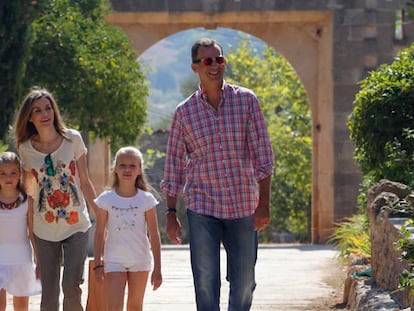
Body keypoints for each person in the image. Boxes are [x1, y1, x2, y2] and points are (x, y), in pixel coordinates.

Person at [160, 37, 274, 311]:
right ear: (195, 67)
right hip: (203, 206)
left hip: (244, 205)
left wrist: (264, 204)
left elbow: (264, 156)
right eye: (208, 61)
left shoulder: (246, 101)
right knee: (206, 280)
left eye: (219, 59)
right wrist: (171, 213)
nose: (215, 66)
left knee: (244, 281)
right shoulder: (184, 113)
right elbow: (174, 164)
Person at [14, 86, 98, 311]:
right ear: (30, 118)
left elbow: (86, 181)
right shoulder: (26, 149)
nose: (44, 114)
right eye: (38, 111)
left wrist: (103, 218)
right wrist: (27, 230)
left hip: (76, 225)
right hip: (44, 230)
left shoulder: (73, 139)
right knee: (49, 296)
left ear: (54, 111)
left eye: (48, 108)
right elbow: (31, 193)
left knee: (71, 286)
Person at [93, 146, 162, 311]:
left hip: (140, 260)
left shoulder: (146, 199)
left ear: (139, 170)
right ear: (115, 169)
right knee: (114, 307)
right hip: (114, 260)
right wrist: (98, 264)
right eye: (122, 165)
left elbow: (154, 234)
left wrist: (158, 268)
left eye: (132, 165)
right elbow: (99, 233)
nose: (127, 169)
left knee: (135, 307)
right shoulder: (106, 199)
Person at [0, 151, 41, 311]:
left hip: (22, 259)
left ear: (20, 174)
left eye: (13, 173)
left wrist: (39, 262)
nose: (8, 177)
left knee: (21, 307)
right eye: (2, 173)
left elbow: (32, 233)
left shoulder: (27, 201)